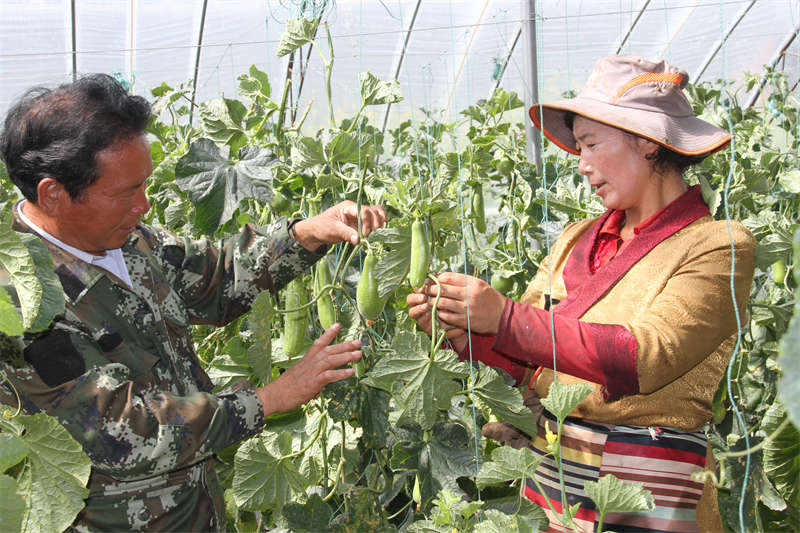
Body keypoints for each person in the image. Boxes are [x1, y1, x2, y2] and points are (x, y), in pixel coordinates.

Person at [0, 74, 386, 531]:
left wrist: (307, 234)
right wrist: (268, 399)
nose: (143, 205)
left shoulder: (128, 239)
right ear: (54, 194)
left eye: (144, 185)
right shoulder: (22, 300)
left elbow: (217, 277)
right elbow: (121, 431)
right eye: (126, 192)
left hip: (193, 509)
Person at [407, 55, 754, 532]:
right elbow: (531, 364)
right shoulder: (575, 237)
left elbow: (645, 357)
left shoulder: (718, 244)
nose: (582, 165)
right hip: (553, 488)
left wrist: (504, 318)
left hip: (648, 501)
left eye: (590, 144)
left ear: (646, 142)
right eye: (578, 148)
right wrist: (464, 333)